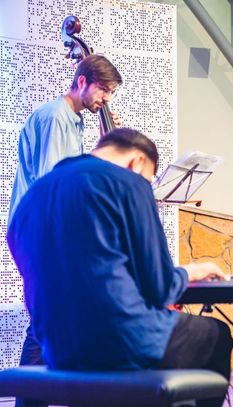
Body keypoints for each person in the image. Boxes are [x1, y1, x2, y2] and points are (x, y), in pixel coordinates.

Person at [7, 128, 233, 407]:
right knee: (216, 335)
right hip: (121, 340)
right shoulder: (129, 182)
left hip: (58, 350)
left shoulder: (33, 195)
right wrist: (191, 271)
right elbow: (160, 289)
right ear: (137, 162)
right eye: (148, 179)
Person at [9, 54, 123, 374]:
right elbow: (54, 183)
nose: (106, 99)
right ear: (82, 81)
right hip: (40, 230)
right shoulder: (56, 117)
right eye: (103, 90)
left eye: (110, 93)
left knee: (55, 317)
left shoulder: (74, 119)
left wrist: (106, 146)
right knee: (47, 317)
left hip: (46, 228)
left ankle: (41, 391)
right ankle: (28, 393)